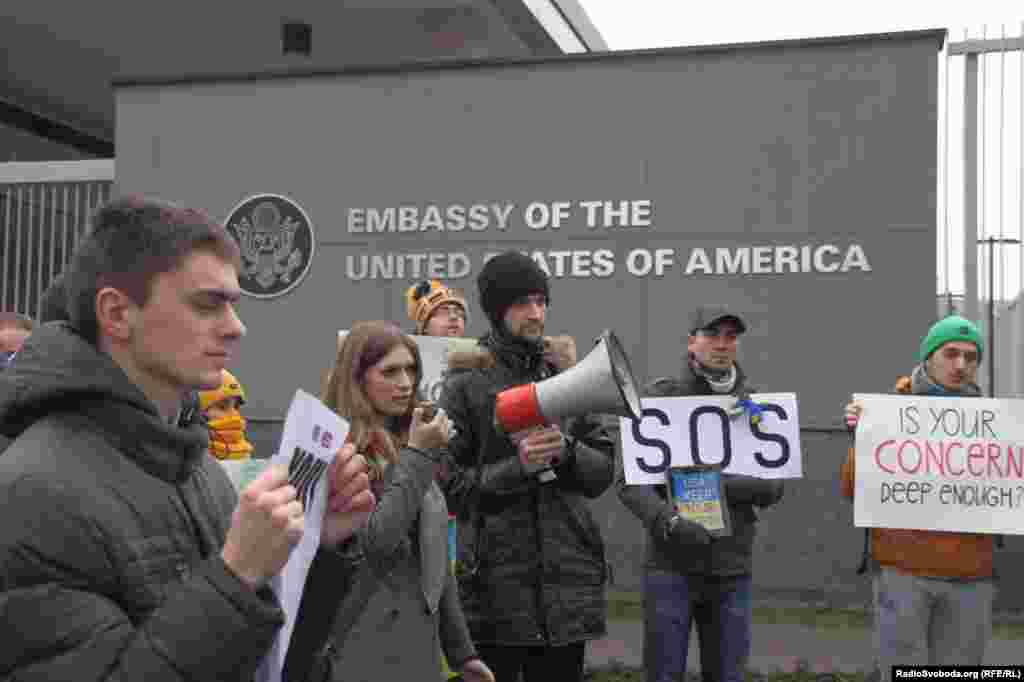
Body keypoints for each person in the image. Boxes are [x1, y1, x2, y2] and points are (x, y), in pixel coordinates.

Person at [0, 196, 375, 681]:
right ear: (117, 313)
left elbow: (267, 665)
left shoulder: (196, 466)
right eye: (206, 304)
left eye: (233, 304)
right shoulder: (31, 493)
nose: (236, 328)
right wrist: (237, 574)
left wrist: (314, 550)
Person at [438, 251, 615, 682]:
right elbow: (450, 488)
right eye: (522, 303)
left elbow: (602, 474)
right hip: (493, 589)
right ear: (496, 311)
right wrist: (517, 469)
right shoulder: (464, 383)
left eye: (541, 301)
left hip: (566, 585)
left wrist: (568, 451)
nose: (536, 313)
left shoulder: (569, 376)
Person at [293, 320, 494, 682]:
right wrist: (419, 456)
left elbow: (433, 553)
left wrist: (461, 651)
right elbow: (377, 542)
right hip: (361, 644)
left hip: (416, 641)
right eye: (390, 371)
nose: (405, 382)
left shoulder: (411, 442)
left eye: (411, 369)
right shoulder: (338, 450)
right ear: (357, 379)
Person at [616, 305, 784, 682]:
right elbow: (628, 481)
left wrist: (707, 480)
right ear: (692, 341)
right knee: (663, 674)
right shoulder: (658, 398)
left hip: (731, 568)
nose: (722, 344)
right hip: (669, 566)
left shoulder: (757, 405)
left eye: (730, 337)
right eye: (712, 335)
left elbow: (774, 487)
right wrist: (669, 521)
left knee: (728, 674)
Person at [841, 315, 993, 677]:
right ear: (928, 357)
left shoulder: (994, 423)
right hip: (903, 572)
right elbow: (851, 489)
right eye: (950, 353)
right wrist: (861, 440)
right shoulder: (885, 414)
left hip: (972, 576)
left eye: (971, 357)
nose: (961, 365)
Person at [199, 368, 255, 460]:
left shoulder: (243, 451)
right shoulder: (185, 456)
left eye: (236, 407)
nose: (233, 414)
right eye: (222, 407)